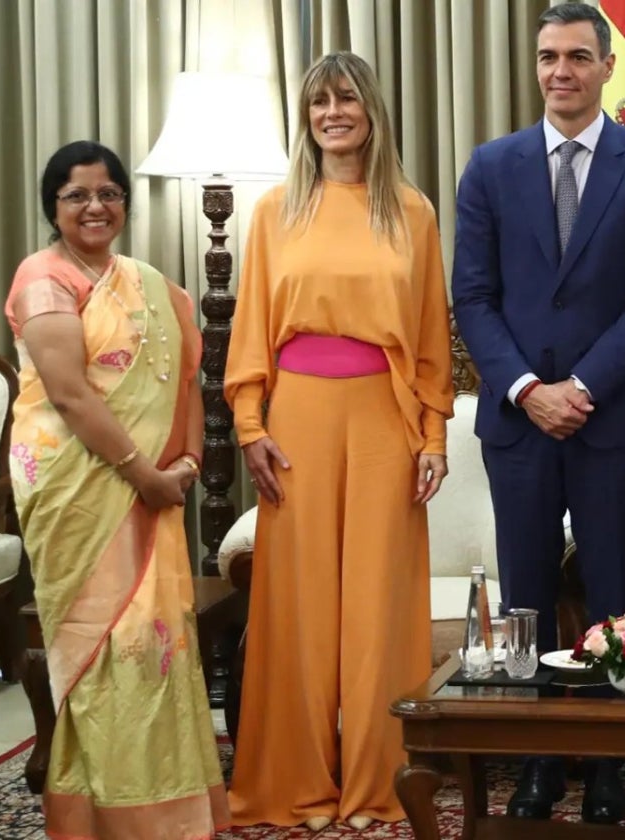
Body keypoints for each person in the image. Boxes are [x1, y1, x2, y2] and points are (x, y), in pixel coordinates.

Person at [451, 1, 625, 826]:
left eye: (578, 57)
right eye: (549, 56)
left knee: (616, 591)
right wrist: (526, 390)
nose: (561, 71)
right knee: (526, 595)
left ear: (604, 66)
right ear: (537, 65)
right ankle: (540, 759)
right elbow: (472, 296)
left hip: (611, 418)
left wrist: (581, 387)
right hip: (519, 422)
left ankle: (608, 760)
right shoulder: (491, 165)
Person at [224, 52, 453, 831]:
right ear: (306, 115)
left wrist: (433, 436)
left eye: (346, 98)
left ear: (371, 110)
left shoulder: (411, 211)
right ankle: (296, 786)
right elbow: (250, 324)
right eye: (319, 101)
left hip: (386, 419)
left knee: (379, 609)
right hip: (296, 421)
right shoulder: (273, 210)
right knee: (298, 610)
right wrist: (250, 425)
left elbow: (430, 337)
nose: (332, 112)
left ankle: (376, 786)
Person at [4, 141, 227, 839]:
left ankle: (170, 809)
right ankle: (106, 813)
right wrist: (144, 474)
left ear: (125, 203)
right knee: (105, 647)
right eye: (77, 195)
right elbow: (68, 395)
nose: (95, 207)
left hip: (153, 488)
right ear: (54, 207)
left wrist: (187, 464)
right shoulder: (42, 279)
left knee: (158, 641)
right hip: (78, 492)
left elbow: (188, 379)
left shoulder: (158, 286)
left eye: (108, 193)